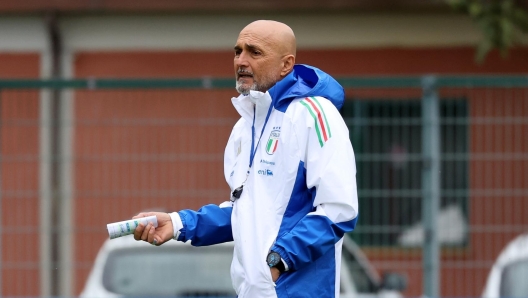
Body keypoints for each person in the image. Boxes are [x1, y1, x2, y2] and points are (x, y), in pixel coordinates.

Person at [133, 20, 358, 298]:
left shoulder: (314, 114)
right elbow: (246, 212)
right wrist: (178, 223)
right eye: (237, 51)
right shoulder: (244, 126)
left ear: (286, 65)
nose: (241, 60)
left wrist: (277, 262)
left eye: (254, 52)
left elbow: (339, 210)